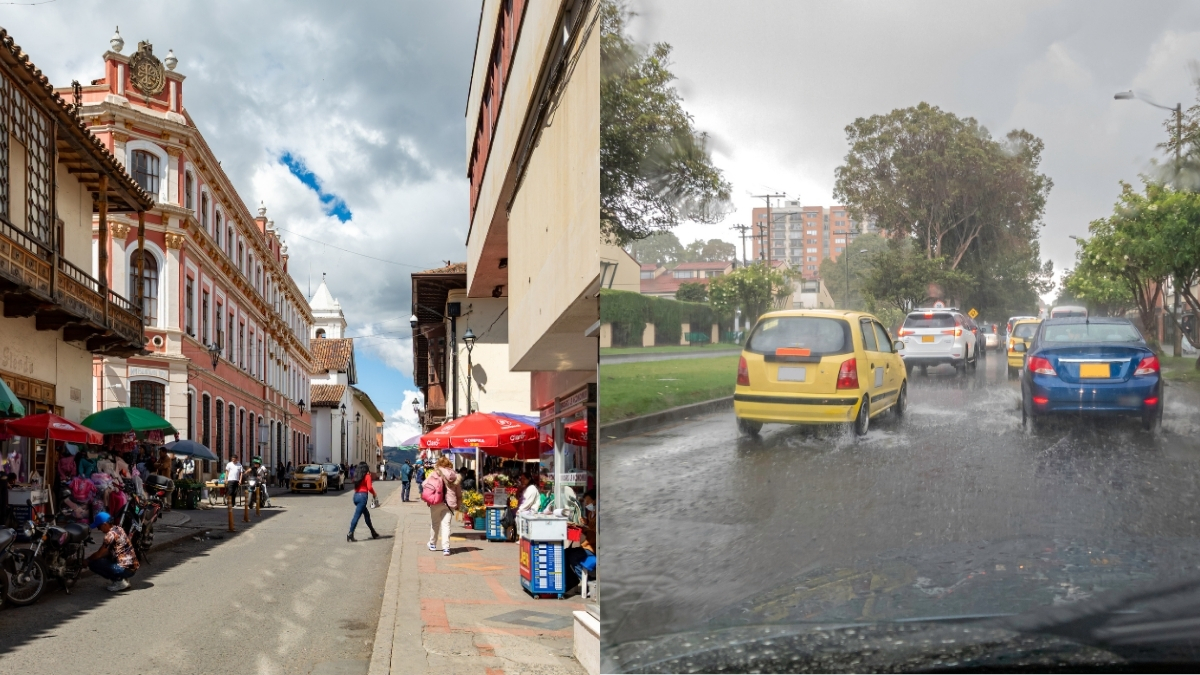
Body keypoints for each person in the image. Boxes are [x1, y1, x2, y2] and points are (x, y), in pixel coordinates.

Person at [85, 512, 139, 592]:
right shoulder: (118, 529)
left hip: (125, 569)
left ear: (105, 524)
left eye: (99, 527)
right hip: (132, 567)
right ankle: (123, 579)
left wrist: (87, 560)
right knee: (103, 559)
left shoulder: (110, 535)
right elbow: (108, 552)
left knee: (93, 563)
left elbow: (99, 554)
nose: (99, 529)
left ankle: (119, 581)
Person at [425, 456, 461, 556]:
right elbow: (459, 493)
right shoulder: (454, 475)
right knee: (446, 525)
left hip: (436, 501)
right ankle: (446, 548)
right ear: (449, 464)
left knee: (435, 523)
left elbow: (426, 486)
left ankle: (432, 544)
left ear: (439, 464)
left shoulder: (434, 473)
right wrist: (458, 504)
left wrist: (428, 500)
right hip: (449, 503)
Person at [348, 461, 380, 542]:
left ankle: (373, 532)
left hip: (356, 496)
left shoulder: (357, 475)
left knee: (366, 515)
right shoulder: (367, 476)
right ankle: (350, 533)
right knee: (356, 516)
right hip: (362, 497)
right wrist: (374, 493)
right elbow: (369, 487)